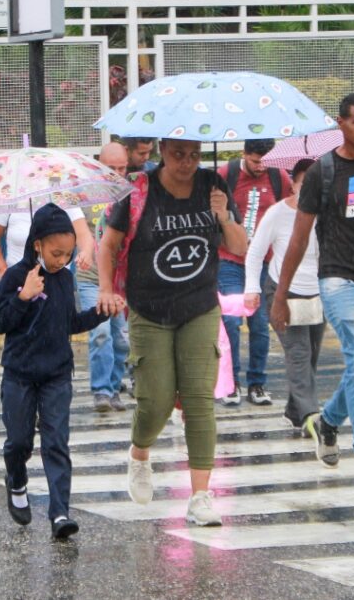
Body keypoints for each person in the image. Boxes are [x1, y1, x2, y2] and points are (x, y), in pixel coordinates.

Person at [97, 138, 247, 526]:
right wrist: (106, 290)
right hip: (149, 309)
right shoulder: (139, 192)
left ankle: (200, 496)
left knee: (199, 399)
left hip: (199, 305)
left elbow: (240, 247)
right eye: (179, 155)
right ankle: (140, 452)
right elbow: (108, 245)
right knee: (157, 402)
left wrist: (224, 217)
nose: (187, 163)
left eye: (194, 155)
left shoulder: (213, 185)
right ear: (163, 151)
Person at [272, 92, 354, 488]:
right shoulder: (322, 174)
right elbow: (298, 238)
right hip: (338, 281)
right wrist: (281, 295)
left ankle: (327, 422)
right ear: (340, 124)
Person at [0, 204, 113, 539]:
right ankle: (16, 481)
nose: (61, 260)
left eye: (68, 253)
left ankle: (60, 512)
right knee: (18, 442)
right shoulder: (17, 277)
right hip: (19, 374)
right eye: (56, 253)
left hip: (57, 374)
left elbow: (70, 323)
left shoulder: (66, 278)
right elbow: (0, 324)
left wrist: (100, 313)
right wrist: (23, 297)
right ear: (38, 245)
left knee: (56, 441)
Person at [244, 159, 324, 435]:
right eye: (305, 183)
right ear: (293, 183)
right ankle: (312, 416)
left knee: (311, 354)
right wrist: (251, 288)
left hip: (317, 292)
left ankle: (294, 410)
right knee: (298, 352)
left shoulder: (327, 212)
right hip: (282, 292)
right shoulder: (277, 214)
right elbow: (255, 252)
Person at [216, 138, 292, 407]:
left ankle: (257, 383)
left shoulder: (278, 176)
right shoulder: (227, 174)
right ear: (244, 154)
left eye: (265, 160)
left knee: (260, 324)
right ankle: (231, 382)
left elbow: (288, 211)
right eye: (255, 160)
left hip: (263, 262)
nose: (260, 166)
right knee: (231, 323)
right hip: (229, 259)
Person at [75, 141, 130, 412]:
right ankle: (102, 391)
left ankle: (115, 385)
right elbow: (76, 230)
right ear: (98, 164)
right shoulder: (85, 195)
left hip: (120, 281)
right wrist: (82, 251)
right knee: (100, 332)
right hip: (91, 278)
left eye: (123, 168)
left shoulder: (132, 194)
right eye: (112, 168)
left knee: (122, 337)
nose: (118, 174)